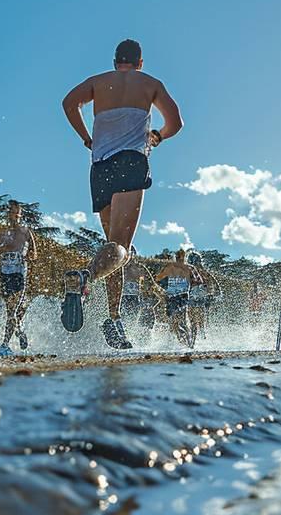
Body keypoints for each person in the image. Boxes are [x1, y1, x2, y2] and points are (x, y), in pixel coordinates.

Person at [60, 39, 183, 349]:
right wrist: (157, 136)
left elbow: (68, 103)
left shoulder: (98, 82)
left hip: (100, 167)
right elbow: (176, 123)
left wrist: (86, 138)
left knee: (111, 250)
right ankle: (85, 278)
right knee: (121, 249)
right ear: (140, 62)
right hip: (131, 162)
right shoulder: (150, 83)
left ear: (116, 61)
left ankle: (113, 319)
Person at [0, 201, 35, 357]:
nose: (14, 216)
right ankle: (20, 330)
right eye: (11, 213)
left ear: (20, 215)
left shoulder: (25, 232)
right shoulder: (3, 232)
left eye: (17, 213)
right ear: (8, 215)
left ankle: (4, 345)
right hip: (5, 273)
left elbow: (34, 254)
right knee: (11, 311)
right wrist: (5, 247)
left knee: (12, 310)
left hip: (19, 273)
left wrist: (25, 256)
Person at [153, 249, 199, 348]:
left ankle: (188, 343)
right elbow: (157, 279)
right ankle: (182, 342)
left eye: (180, 257)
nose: (179, 259)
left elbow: (198, 281)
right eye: (178, 257)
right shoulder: (175, 267)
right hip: (173, 296)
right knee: (174, 321)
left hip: (180, 295)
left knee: (180, 320)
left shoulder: (186, 268)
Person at [185, 251, 219, 349]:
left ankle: (194, 343)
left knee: (194, 323)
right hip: (199, 299)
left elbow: (215, 286)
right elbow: (216, 286)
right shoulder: (203, 272)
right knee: (199, 322)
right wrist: (214, 295)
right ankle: (200, 341)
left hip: (195, 299)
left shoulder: (190, 271)